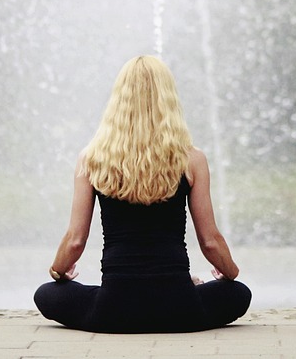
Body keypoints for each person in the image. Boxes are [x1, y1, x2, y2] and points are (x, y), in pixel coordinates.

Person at [33, 55, 251, 333]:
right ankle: (191, 290)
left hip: (113, 310)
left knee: (46, 293)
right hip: (180, 308)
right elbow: (210, 241)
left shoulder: (91, 158)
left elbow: (75, 241)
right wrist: (229, 273)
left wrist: (58, 272)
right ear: (168, 98)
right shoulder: (192, 159)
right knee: (239, 293)